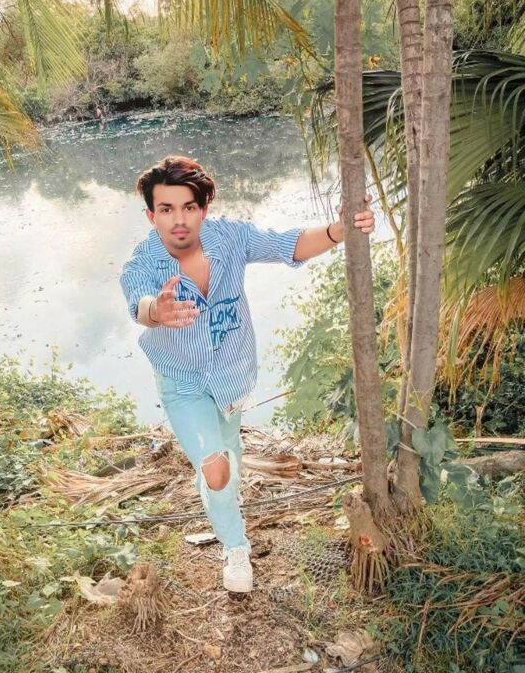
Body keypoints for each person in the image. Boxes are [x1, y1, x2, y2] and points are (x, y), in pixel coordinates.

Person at [119, 156, 375, 593]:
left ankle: (219, 482)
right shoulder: (142, 263)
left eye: (188, 207)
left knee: (229, 456)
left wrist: (338, 230)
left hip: (233, 374)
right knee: (216, 469)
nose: (179, 220)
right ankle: (235, 547)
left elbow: (288, 245)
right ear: (151, 215)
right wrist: (157, 311)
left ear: (203, 209)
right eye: (166, 209)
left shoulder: (231, 237)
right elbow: (139, 305)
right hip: (183, 382)